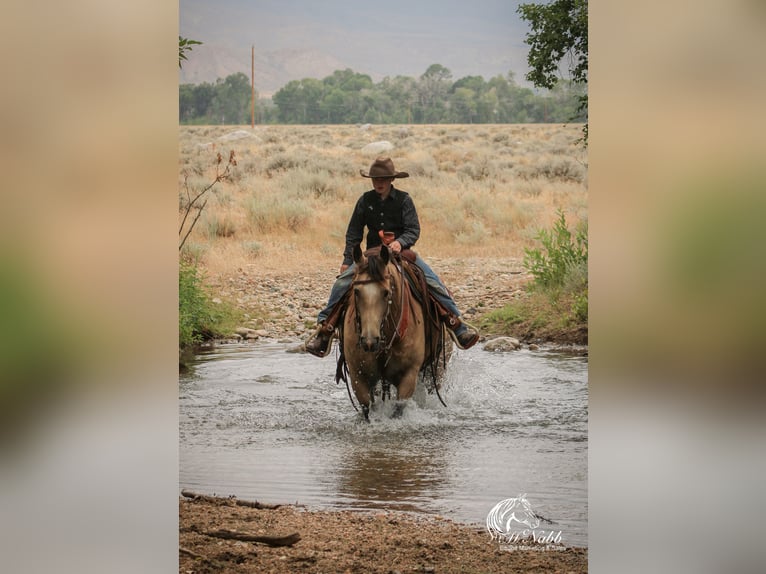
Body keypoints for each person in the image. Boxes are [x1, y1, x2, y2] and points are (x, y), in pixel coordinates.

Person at [305, 157, 480, 357]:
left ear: (391, 180)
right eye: (375, 179)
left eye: (384, 179)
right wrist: (347, 260)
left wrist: (401, 242)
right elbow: (353, 232)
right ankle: (325, 330)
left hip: (401, 254)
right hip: (371, 256)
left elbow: (413, 229)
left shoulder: (404, 200)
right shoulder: (365, 200)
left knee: (431, 281)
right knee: (342, 284)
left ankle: (455, 324)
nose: (379, 183)